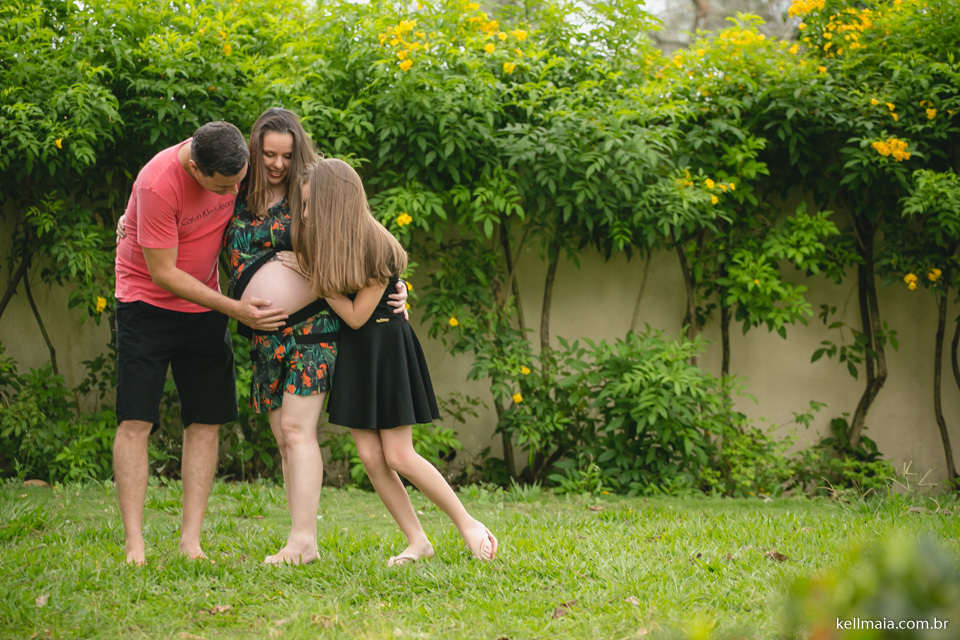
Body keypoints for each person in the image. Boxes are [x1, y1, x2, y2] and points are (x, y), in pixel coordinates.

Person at [288, 158, 498, 564]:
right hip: (356, 352)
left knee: (399, 455)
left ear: (334, 203)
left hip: (384, 346)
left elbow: (354, 315)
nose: (307, 213)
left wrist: (315, 282)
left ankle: (468, 524)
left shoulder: (376, 246)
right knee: (369, 457)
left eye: (312, 204)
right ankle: (418, 541)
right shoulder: (330, 240)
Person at [223, 108, 408, 565]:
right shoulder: (235, 193)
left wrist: (398, 285)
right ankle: (300, 538)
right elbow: (189, 213)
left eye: (286, 155)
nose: (278, 164)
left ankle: (302, 540)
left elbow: (365, 240)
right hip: (264, 335)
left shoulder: (312, 189)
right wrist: (133, 220)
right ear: (255, 149)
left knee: (296, 429)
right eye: (269, 154)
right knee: (283, 438)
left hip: (315, 328)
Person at [114, 121, 289, 565]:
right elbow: (164, 274)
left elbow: (314, 179)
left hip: (204, 307)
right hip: (146, 305)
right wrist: (235, 308)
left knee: (206, 421)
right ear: (195, 168)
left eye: (238, 180)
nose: (235, 190)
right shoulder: (157, 184)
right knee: (136, 422)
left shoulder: (236, 161)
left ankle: (190, 542)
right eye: (224, 186)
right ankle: (135, 544)